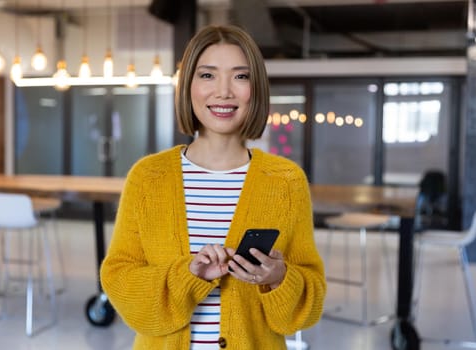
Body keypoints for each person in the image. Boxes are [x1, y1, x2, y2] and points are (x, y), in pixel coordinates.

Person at [100, 24, 326, 349]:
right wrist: (187, 275)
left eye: (240, 76)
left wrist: (279, 279)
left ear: (256, 89)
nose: (223, 92)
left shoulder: (286, 181)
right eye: (207, 75)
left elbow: (306, 306)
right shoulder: (148, 177)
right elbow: (119, 280)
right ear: (187, 85)